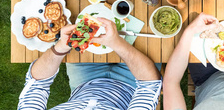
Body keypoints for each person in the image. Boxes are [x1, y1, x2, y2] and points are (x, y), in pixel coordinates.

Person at [18, 18, 162, 110]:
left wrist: (61, 47)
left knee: (83, 14)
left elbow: (36, 83)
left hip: (84, 81)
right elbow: (149, 84)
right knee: (157, 33)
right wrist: (117, 43)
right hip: (133, 84)